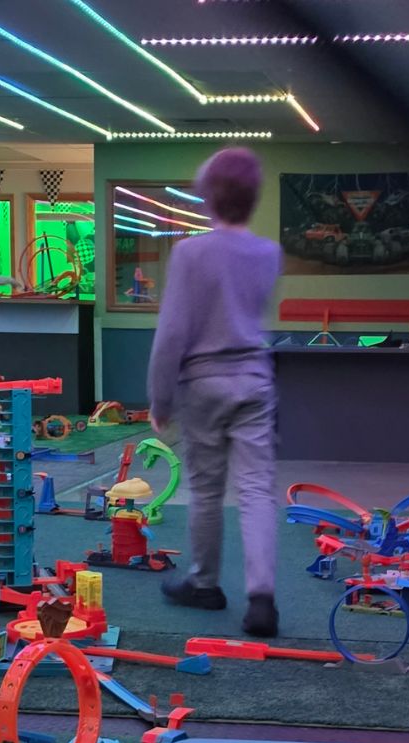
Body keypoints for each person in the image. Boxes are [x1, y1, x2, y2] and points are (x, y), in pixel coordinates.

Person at [148, 148, 283, 638]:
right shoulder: (269, 253)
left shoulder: (190, 253)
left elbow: (172, 335)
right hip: (255, 378)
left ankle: (205, 584)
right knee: (256, 489)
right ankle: (262, 598)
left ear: (207, 197)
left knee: (206, 489)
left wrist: (160, 400)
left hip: (203, 382)